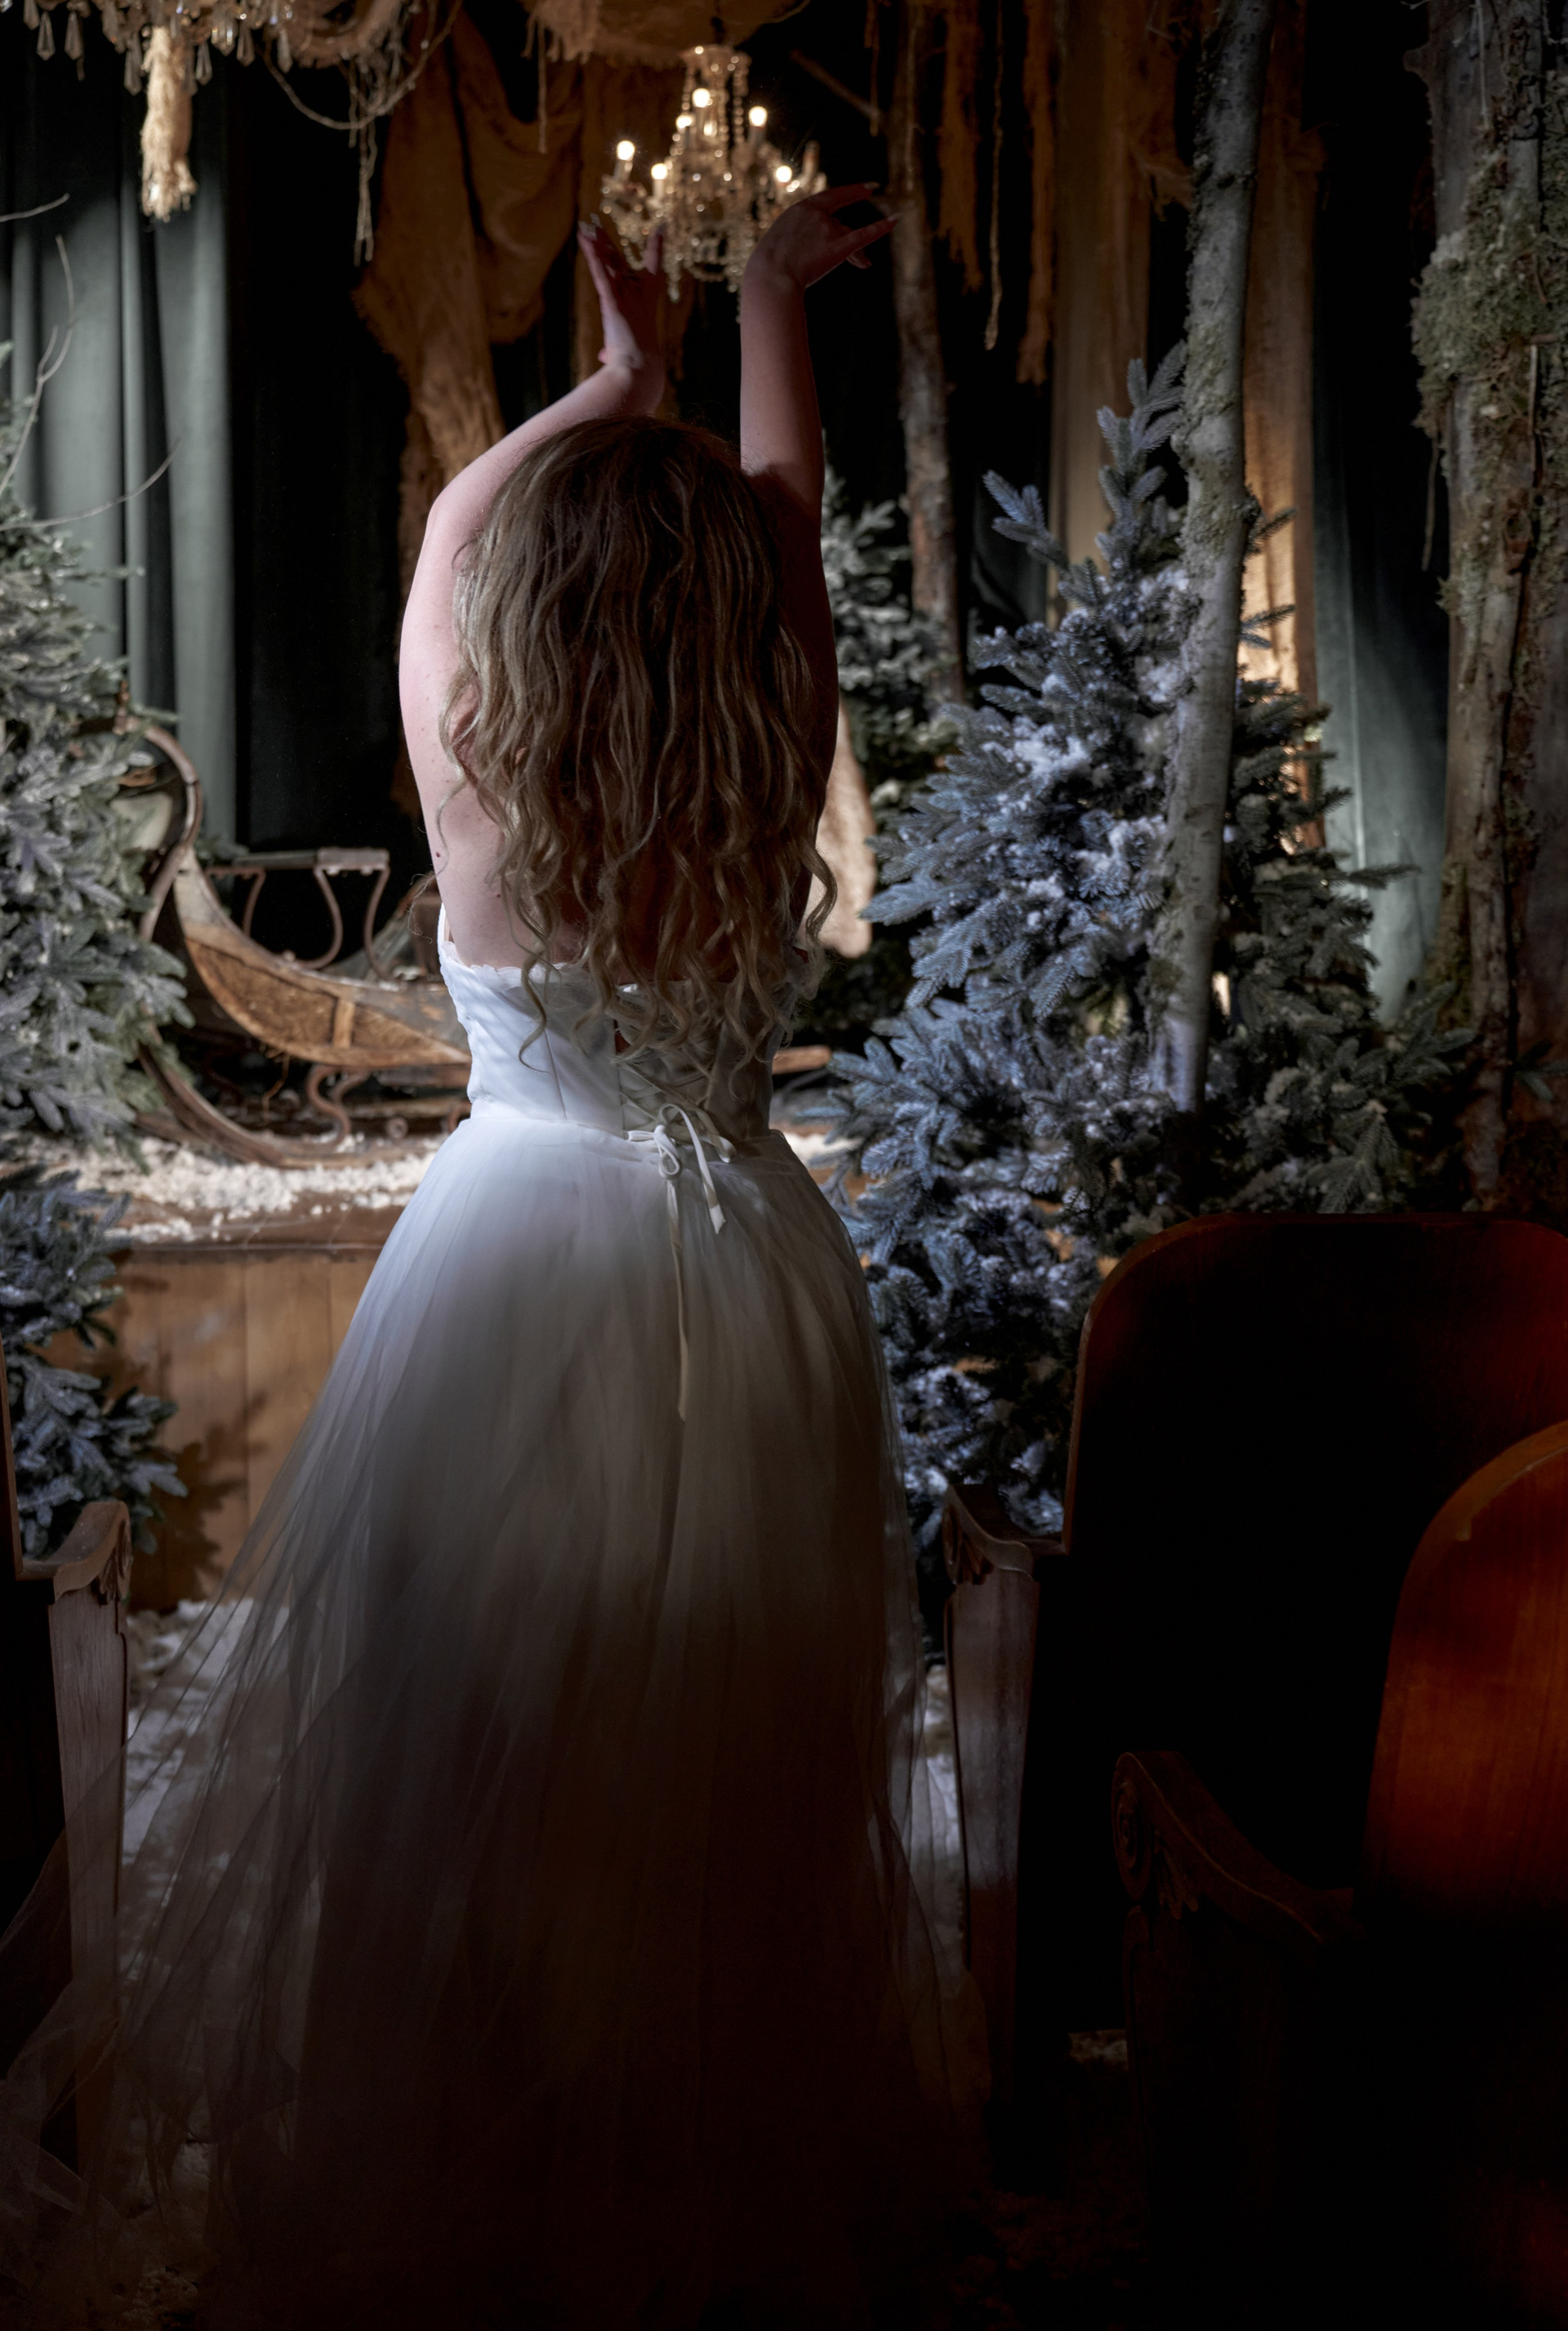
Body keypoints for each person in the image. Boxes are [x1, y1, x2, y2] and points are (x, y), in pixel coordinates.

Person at [0, 191, 976, 2329]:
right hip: (748, 1293)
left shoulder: (473, 766)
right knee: (726, 1766)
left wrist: (612, 384)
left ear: (520, 616)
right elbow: (784, 518)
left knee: (469, 1767)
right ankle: (696, 2182)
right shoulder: (769, 750)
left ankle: (482, 2165)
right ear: (743, 624)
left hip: (512, 1270)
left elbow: (456, 532)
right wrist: (763, 315)